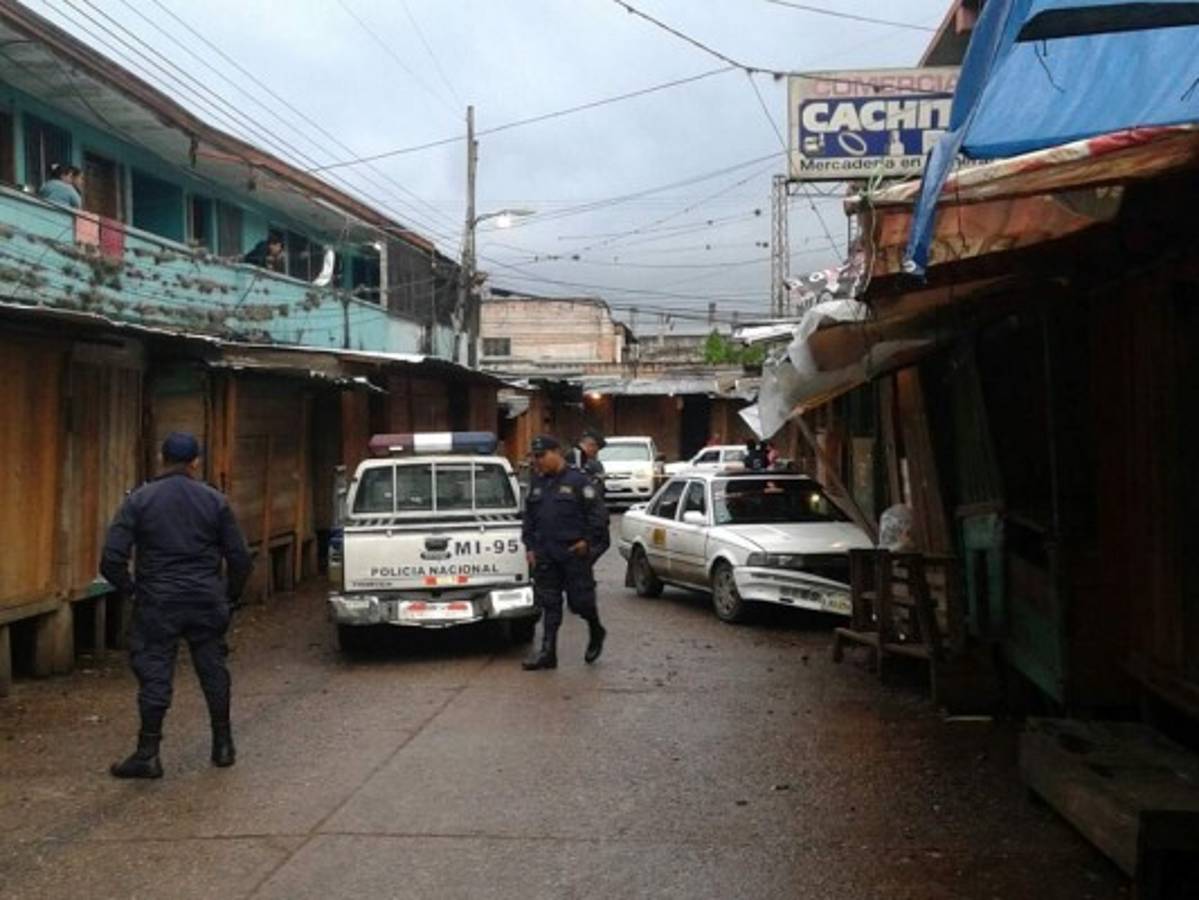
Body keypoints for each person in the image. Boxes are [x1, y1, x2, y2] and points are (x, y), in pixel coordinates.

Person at [100, 432, 252, 779]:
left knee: (155, 672)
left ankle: (148, 753)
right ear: (196, 462)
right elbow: (240, 558)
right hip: (206, 599)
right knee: (213, 670)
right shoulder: (215, 501)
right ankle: (223, 745)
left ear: (162, 458)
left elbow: (111, 559)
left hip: (158, 602)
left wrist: (133, 590)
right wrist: (229, 597)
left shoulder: (139, 500)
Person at [521, 435, 610, 671]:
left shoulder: (579, 481)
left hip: (573, 554)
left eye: (541, 456)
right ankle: (547, 653)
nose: (537, 461)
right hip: (546, 554)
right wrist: (529, 546)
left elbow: (598, 517)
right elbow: (529, 518)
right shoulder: (537, 482)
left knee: (581, 603)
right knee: (550, 605)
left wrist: (586, 542)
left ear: (557, 452)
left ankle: (596, 629)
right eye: (535, 456)